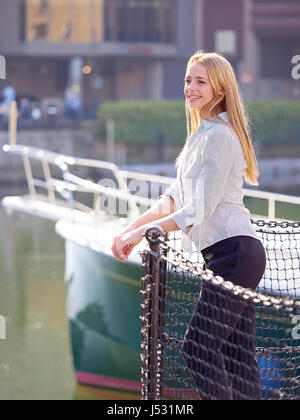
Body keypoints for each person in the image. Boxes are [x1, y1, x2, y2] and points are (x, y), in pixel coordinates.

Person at [111, 50, 266, 400]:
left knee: (197, 347)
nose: (190, 88)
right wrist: (131, 229)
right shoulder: (202, 134)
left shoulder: (218, 136)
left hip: (235, 253)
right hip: (231, 254)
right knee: (236, 353)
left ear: (220, 89)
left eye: (200, 81)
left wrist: (140, 234)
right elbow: (172, 199)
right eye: (187, 80)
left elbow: (197, 210)